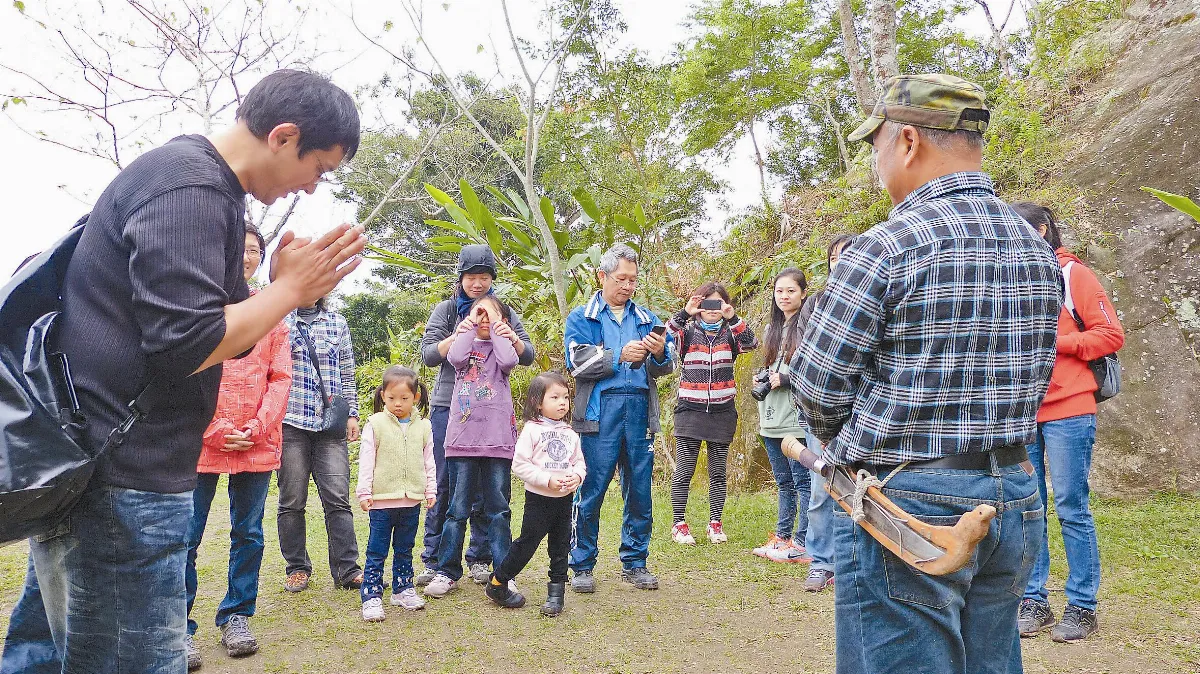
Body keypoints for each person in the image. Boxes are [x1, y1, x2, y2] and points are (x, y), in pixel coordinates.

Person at [1, 68, 365, 674]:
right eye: (318, 168)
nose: (310, 187)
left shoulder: (200, 186)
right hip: (121, 481)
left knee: (50, 658)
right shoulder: (190, 187)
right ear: (283, 137)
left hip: (105, 470)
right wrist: (291, 293)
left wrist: (275, 288)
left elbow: (222, 339)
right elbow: (185, 345)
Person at [794, 74, 1062, 674]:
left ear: (908, 141)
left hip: (907, 500)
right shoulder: (1034, 247)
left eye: (877, 145)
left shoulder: (886, 247)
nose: (876, 161)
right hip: (1013, 492)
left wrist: (854, 443)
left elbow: (816, 387)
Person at [1011, 202, 1125, 644]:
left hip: (1070, 407)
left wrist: (1056, 341)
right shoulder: (1010, 278)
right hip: (1023, 411)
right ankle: (1033, 600)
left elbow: (1110, 334)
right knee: (1028, 507)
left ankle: (1082, 606)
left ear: (1042, 230)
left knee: (1071, 506)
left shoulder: (1072, 274)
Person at [184, 224, 293, 670]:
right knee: (185, 535)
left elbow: (280, 377)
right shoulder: (195, 305)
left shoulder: (271, 313)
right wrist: (214, 427)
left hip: (256, 440)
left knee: (249, 533)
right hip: (201, 440)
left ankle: (236, 616)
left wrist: (258, 426)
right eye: (239, 248)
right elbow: (183, 373)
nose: (246, 256)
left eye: (254, 250)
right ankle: (177, 626)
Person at [418, 245, 537, 587]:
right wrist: (463, 331)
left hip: (492, 417)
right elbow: (429, 355)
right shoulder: (446, 311)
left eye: (484, 277)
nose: (477, 283)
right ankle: (435, 559)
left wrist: (503, 330)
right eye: (471, 277)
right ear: (461, 278)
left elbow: (526, 354)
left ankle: (481, 558)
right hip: (450, 407)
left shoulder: (502, 311)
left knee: (489, 495)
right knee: (446, 487)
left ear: (492, 279)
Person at [564, 243, 675, 593]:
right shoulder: (582, 317)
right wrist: (617, 356)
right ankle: (582, 564)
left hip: (639, 409)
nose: (627, 286)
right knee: (591, 488)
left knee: (640, 489)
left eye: (633, 279)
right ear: (602, 276)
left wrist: (659, 352)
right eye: (621, 278)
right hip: (599, 410)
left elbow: (666, 366)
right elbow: (575, 362)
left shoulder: (647, 319)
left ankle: (636, 561)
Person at [424, 295, 520, 599]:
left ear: (503, 321)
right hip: (462, 441)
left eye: (491, 315)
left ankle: (503, 574)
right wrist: (467, 326)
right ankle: (446, 571)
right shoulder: (464, 346)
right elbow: (455, 356)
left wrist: (499, 330)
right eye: (479, 314)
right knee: (456, 510)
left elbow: (509, 361)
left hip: (497, 442)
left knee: (498, 511)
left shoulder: (502, 347)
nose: (483, 319)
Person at [276, 295, 363, 593]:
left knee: (338, 499)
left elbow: (347, 374)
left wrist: (352, 414)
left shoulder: (337, 322)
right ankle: (297, 568)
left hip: (331, 423)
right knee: (291, 500)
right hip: (290, 421)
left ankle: (347, 570)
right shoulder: (278, 321)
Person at [486, 371, 586, 616]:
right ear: (537, 402)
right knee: (526, 544)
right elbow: (520, 465)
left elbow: (579, 463)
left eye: (566, 397)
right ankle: (498, 582)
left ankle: (556, 595)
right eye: (555, 397)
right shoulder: (531, 430)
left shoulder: (570, 434)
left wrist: (577, 477)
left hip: (564, 501)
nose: (562, 403)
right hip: (538, 501)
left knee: (560, 548)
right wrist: (547, 480)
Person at [665, 282, 757, 546]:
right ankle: (679, 524)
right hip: (690, 410)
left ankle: (715, 522)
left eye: (718, 303)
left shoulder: (730, 334)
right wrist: (685, 312)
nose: (712, 309)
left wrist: (733, 318)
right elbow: (665, 337)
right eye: (707, 303)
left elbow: (751, 343)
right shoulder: (688, 332)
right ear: (699, 305)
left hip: (722, 411)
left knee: (718, 473)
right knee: (684, 471)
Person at [790, 235, 855, 592]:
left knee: (862, 486)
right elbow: (806, 356)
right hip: (822, 409)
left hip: (862, 412)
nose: (839, 262)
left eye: (847, 255)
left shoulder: (878, 294)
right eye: (833, 257)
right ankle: (821, 561)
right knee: (821, 487)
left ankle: (857, 561)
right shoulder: (815, 303)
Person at [357, 366, 437, 622]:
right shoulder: (375, 424)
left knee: (405, 548)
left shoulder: (424, 426)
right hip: (381, 502)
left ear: (415, 397)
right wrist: (364, 491)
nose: (398, 404)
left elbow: (429, 461)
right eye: (392, 398)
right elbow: (366, 459)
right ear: (383, 396)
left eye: (404, 398)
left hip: (411, 500)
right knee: (376, 550)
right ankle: (371, 595)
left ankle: (403, 589)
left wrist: (430, 489)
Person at [752, 268, 813, 564]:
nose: (784, 296)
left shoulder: (810, 327)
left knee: (803, 483)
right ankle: (782, 537)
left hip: (795, 418)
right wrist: (762, 377)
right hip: (771, 417)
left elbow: (815, 370)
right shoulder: (771, 330)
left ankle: (803, 542)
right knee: (784, 483)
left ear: (803, 293)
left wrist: (786, 379)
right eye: (779, 291)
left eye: (791, 290)